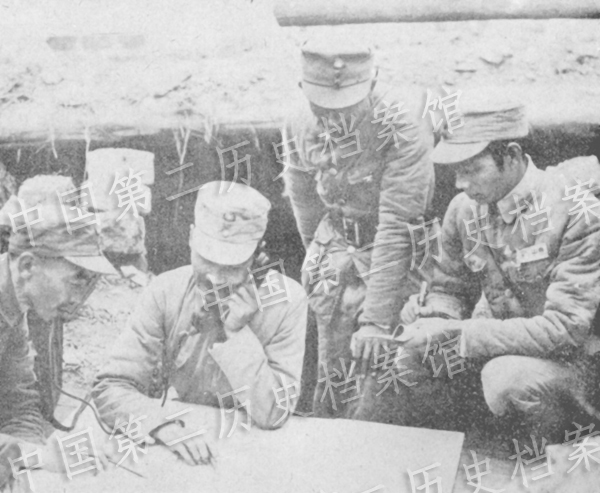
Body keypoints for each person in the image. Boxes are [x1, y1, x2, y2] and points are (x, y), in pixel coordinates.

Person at [395, 94, 600, 441]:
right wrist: (434, 319)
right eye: (457, 171)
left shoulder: (576, 212)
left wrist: (457, 334)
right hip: (497, 350)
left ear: (512, 156)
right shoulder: (464, 209)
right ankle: (463, 451)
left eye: (472, 169)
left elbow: (565, 331)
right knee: (412, 358)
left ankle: (547, 460)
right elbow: (448, 288)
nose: (460, 184)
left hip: (575, 365)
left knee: (505, 378)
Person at [93, 181, 307, 466]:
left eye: (231, 267)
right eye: (207, 259)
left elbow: (274, 413)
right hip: (181, 440)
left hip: (251, 452)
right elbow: (110, 386)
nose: (215, 278)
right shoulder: (166, 290)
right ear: (192, 238)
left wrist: (237, 333)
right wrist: (159, 424)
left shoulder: (287, 302)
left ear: (258, 256)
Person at [281, 37, 435, 417]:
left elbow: (398, 224)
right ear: (303, 89)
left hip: (395, 258)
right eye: (322, 108)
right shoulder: (298, 121)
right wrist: (319, 256)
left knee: (380, 375)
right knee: (331, 371)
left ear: (373, 84)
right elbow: (302, 196)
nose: (334, 119)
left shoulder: (401, 124)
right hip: (336, 249)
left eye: (347, 108)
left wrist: (375, 320)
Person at [0, 175, 117, 487]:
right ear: (27, 266)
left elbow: (20, 408)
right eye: (75, 279)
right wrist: (33, 457)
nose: (79, 298)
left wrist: (38, 461)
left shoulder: (13, 308)